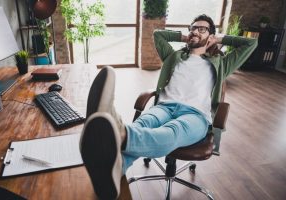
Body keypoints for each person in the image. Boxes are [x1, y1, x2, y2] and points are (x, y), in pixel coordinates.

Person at [80, 14, 258, 199]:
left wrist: (219, 39)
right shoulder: (174, 56)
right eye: (193, 28)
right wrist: (186, 37)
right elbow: (158, 35)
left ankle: (120, 132)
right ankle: (117, 170)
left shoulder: (222, 63)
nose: (195, 31)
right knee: (144, 123)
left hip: (195, 115)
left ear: (211, 35)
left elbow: (251, 44)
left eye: (202, 29)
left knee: (172, 131)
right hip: (164, 107)